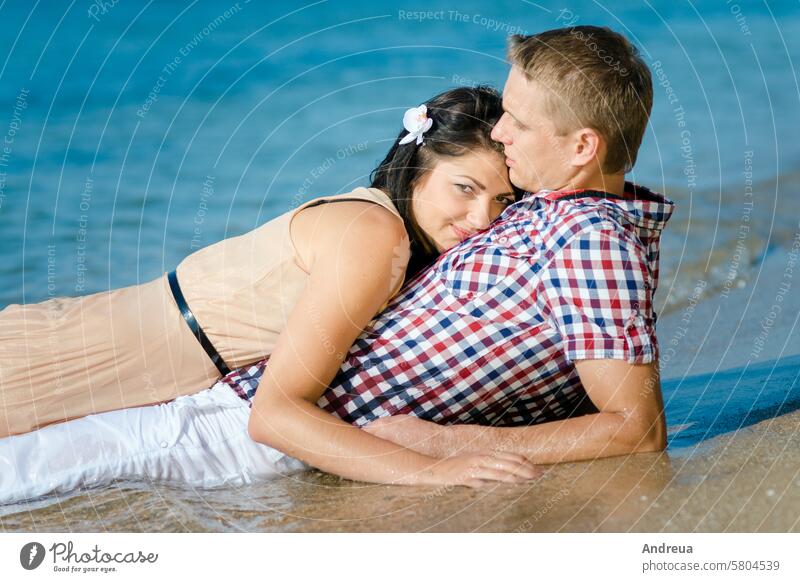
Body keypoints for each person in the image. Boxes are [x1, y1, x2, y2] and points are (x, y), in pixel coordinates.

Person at [1, 25, 673, 503]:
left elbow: (634, 429)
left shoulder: (591, 238)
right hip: (232, 411)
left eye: (518, 123)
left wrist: (439, 451)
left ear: (583, 146)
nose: (500, 132)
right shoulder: (548, 215)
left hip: (233, 433)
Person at [0, 86, 541, 487]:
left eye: (503, 202)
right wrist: (432, 473)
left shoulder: (381, 231)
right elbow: (275, 414)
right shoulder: (373, 236)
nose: (481, 218)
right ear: (416, 168)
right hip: (75, 357)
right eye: (464, 188)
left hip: (121, 353)